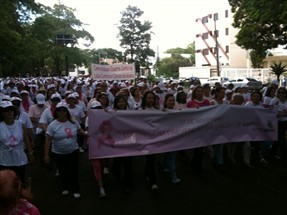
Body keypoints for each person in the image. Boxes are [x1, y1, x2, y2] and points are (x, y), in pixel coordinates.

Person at [44, 102, 88, 199]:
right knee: (62, 171)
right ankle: (65, 187)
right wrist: (46, 155)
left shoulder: (73, 122)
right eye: (59, 111)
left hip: (73, 151)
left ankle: (75, 189)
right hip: (58, 153)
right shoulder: (52, 125)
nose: (62, 112)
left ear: (66, 112)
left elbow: (81, 132)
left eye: (64, 110)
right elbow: (48, 140)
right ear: (56, 112)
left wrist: (88, 134)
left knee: (73, 170)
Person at [0, 101, 34, 185]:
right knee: (7, 182)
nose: (9, 112)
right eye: (6, 110)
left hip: (19, 157)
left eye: (11, 110)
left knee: (20, 180)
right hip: (4, 159)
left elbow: (26, 139)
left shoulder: (20, 124)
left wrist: (30, 153)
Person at [111, 95, 133, 193]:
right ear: (116, 103)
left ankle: (127, 184)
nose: (121, 103)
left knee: (127, 164)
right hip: (117, 142)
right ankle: (118, 177)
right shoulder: (112, 113)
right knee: (116, 164)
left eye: (123, 101)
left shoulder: (130, 113)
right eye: (119, 102)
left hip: (128, 141)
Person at [186, 85, 210, 173]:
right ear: (195, 93)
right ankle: (195, 166)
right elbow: (187, 116)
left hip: (204, 129)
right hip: (194, 129)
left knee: (201, 149)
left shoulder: (207, 102)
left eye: (201, 91)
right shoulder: (190, 103)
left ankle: (197, 166)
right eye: (198, 91)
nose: (199, 93)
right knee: (196, 149)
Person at [140, 90, 159, 190]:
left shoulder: (157, 110)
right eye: (149, 98)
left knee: (151, 159)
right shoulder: (140, 110)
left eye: (152, 98)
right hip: (145, 138)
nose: (151, 100)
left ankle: (148, 174)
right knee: (150, 158)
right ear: (145, 99)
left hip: (155, 138)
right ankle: (153, 181)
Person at [162, 93, 181, 184]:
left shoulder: (177, 111)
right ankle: (173, 176)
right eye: (170, 100)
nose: (172, 102)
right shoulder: (162, 112)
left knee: (170, 155)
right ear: (165, 102)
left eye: (173, 100)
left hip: (173, 137)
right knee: (171, 157)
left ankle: (166, 167)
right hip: (166, 138)